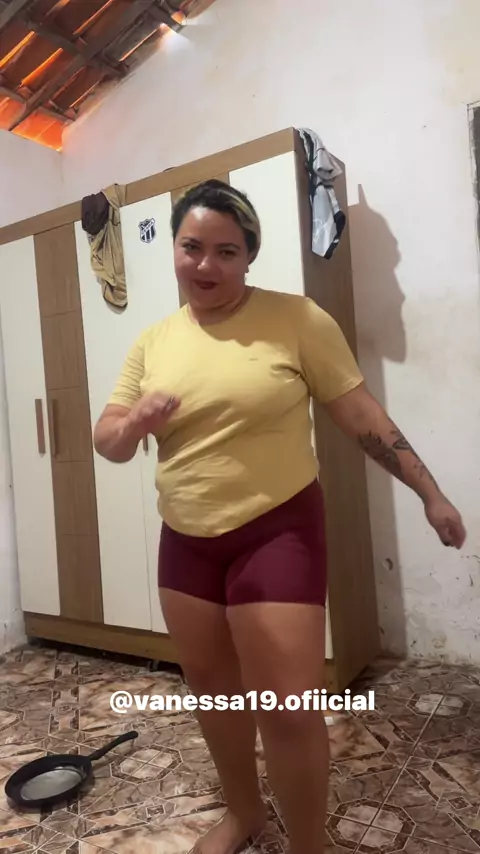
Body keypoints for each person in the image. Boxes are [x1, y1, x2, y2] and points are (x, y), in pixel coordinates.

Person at [93, 179, 466, 854]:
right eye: (191, 247)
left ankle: (307, 847)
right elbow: (109, 440)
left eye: (226, 251)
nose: (206, 265)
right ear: (174, 249)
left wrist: (429, 493)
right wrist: (136, 421)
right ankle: (245, 814)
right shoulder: (153, 342)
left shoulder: (296, 319)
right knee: (216, 698)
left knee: (288, 710)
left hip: (277, 532)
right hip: (185, 542)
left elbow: (361, 416)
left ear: (249, 257)